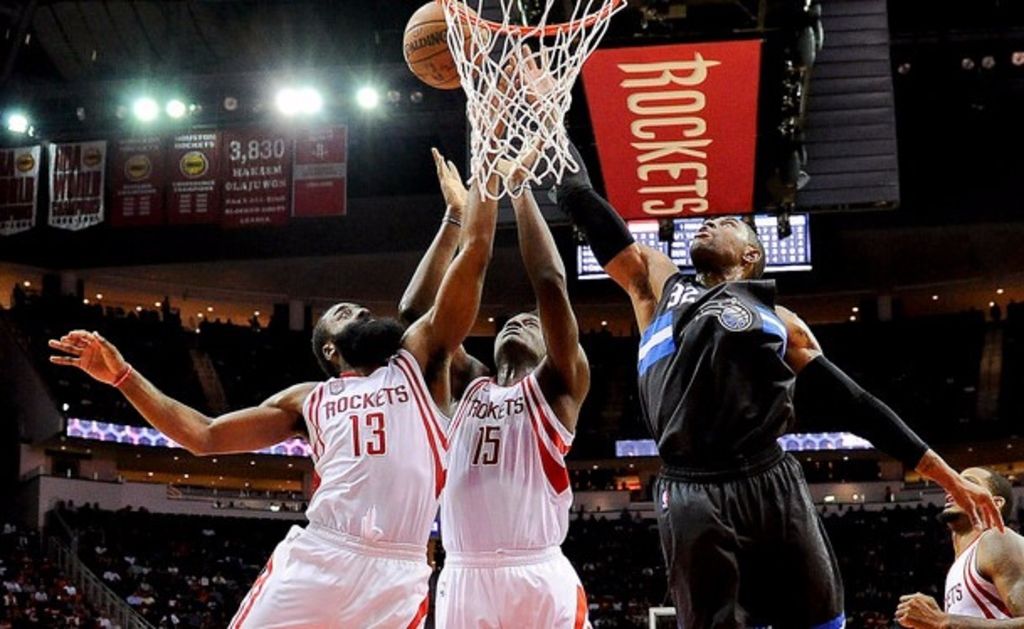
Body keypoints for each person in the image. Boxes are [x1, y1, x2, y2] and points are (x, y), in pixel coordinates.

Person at [552, 138, 1004, 627]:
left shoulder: (779, 319)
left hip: (767, 479)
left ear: (750, 255)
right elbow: (589, 207)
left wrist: (946, 475)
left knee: (820, 618)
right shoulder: (657, 286)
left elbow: (855, 403)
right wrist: (552, 137)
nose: (708, 223)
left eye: (725, 224)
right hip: (689, 486)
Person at [48, 172, 500, 628]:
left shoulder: (419, 371)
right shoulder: (308, 400)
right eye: (344, 313)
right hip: (322, 555)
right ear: (330, 348)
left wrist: (460, 213)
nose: (361, 311)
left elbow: (467, 266)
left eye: (362, 308)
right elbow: (203, 436)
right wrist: (123, 376)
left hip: (398, 571)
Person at [435, 182, 591, 627]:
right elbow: (425, 314)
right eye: (508, 322)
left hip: (537, 574)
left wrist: (519, 191)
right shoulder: (468, 387)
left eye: (530, 323)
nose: (516, 323)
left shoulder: (559, 387)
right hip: (463, 572)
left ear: (553, 348)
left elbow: (550, 283)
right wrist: (458, 217)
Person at [896, 468, 1024, 628]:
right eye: (954, 484)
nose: (953, 489)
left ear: (995, 503)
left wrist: (943, 621)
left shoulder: (997, 539)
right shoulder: (961, 564)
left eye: (968, 483)